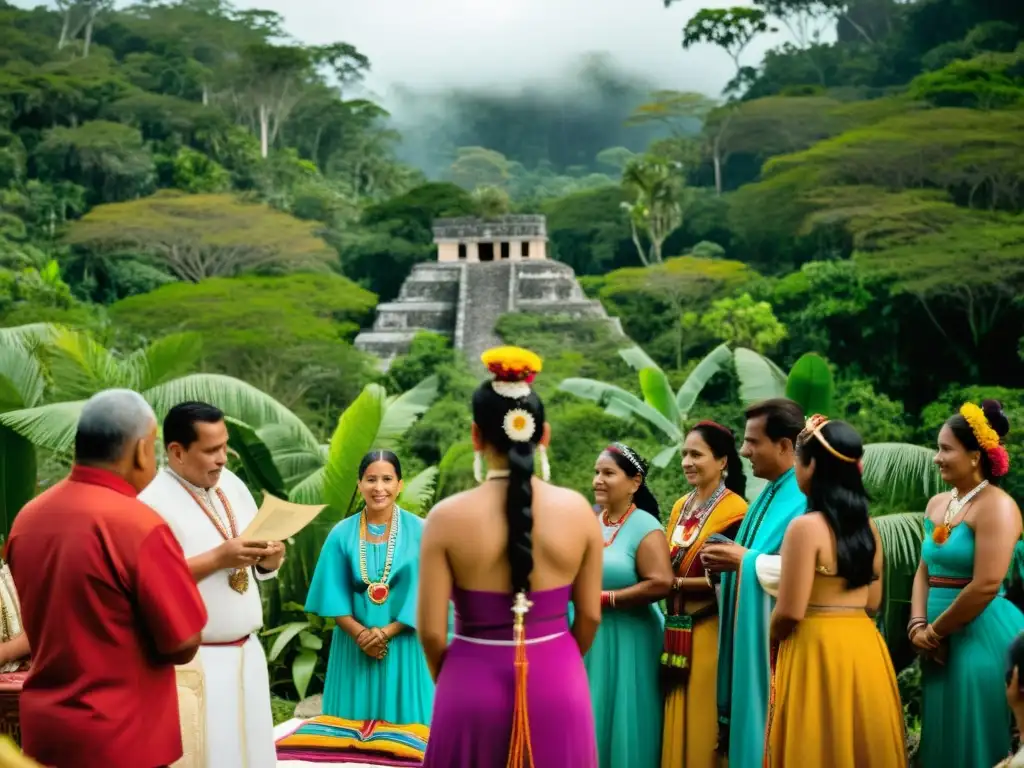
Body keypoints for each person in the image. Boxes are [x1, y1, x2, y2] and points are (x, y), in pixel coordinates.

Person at [419, 346, 604, 767]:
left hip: (468, 681)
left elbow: (431, 633)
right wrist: (556, 658)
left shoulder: (445, 518)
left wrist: (460, 676)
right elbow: (590, 617)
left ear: (475, 435)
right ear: (544, 435)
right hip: (558, 679)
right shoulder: (578, 511)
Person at [6, 389, 208, 768]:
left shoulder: (28, 518)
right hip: (122, 736)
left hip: (47, 732)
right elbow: (182, 642)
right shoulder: (137, 524)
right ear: (141, 450)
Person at [138, 401, 285, 768]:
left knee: (254, 754)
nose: (222, 459)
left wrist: (270, 558)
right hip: (196, 660)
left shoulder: (231, 485)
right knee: (209, 755)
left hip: (248, 650)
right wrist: (218, 558)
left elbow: (252, 559)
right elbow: (148, 582)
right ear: (177, 451)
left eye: (224, 447)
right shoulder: (150, 502)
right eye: (210, 450)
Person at [763, 415, 905, 767]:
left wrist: (771, 635)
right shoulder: (869, 528)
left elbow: (791, 611)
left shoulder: (804, 528)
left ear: (811, 466)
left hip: (816, 648)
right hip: (864, 647)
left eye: (798, 459)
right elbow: (872, 603)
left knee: (817, 742)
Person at [912, 400, 1024, 768]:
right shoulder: (937, 504)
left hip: (978, 632)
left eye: (946, 449)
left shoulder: (998, 507)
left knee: (971, 732)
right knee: (940, 734)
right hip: (935, 638)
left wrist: (935, 632)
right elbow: (924, 570)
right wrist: (917, 626)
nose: (936, 457)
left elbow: (987, 583)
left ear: (975, 456)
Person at [701, 397, 805, 768]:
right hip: (752, 641)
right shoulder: (769, 492)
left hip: (781, 647)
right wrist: (724, 569)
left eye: (752, 442)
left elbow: (809, 572)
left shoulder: (806, 496)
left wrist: (743, 560)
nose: (744, 451)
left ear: (784, 445)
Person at [305, 450, 434, 724]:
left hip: (404, 647)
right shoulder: (341, 532)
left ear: (400, 484)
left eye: (387, 479)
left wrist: (386, 633)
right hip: (353, 647)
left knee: (408, 740)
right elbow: (332, 594)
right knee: (349, 740)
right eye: (371, 479)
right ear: (359, 483)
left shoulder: (422, 531)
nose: (379, 488)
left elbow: (429, 593)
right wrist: (362, 635)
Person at [661, 422, 748, 768]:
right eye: (684, 453)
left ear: (722, 461)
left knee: (701, 715)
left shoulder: (736, 510)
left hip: (710, 628)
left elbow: (728, 579)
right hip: (676, 629)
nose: (687, 461)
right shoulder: (681, 505)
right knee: (676, 708)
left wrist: (676, 584)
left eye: (696, 454)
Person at [588, 442, 672, 768]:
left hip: (633, 637)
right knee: (596, 713)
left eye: (608, 473)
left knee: (627, 717)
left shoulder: (646, 526)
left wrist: (606, 599)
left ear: (634, 482)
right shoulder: (592, 522)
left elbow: (661, 582)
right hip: (593, 636)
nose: (598, 479)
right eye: (596, 472)